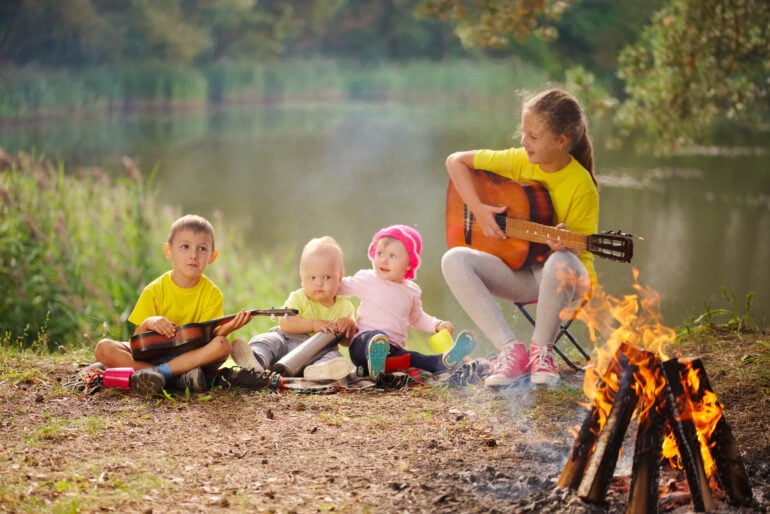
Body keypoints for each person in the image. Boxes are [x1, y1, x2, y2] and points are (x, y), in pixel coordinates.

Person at [441, 88, 597, 387]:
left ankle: (541, 351)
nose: (524, 142)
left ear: (561, 141)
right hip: (522, 274)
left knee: (561, 259)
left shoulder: (582, 186)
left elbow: (576, 253)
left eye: (533, 136)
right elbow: (455, 161)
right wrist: (480, 210)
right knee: (454, 259)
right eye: (523, 133)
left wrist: (565, 245)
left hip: (569, 280)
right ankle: (511, 351)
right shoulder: (519, 160)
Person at [94, 214, 254, 395]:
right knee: (104, 348)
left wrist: (228, 328)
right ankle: (177, 379)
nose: (193, 255)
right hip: (154, 356)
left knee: (223, 345)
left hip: (190, 357)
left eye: (202, 248)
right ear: (169, 251)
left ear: (212, 256)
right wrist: (148, 323)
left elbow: (207, 340)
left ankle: (159, 375)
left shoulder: (212, 294)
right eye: (185, 247)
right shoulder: (154, 290)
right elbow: (138, 346)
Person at [339, 224, 476, 379]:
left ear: (409, 263)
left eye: (392, 256)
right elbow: (340, 286)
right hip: (362, 345)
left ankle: (443, 362)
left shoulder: (411, 291)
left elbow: (417, 318)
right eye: (379, 253)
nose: (383, 260)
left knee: (413, 358)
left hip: (393, 350)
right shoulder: (367, 279)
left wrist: (437, 325)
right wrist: (323, 279)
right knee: (376, 336)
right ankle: (376, 358)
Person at [230, 236, 356, 380]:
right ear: (302, 277)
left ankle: (320, 371)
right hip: (287, 343)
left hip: (320, 352)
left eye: (326, 277)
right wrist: (314, 324)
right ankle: (256, 359)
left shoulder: (345, 308)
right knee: (270, 340)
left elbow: (346, 343)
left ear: (339, 278)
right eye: (312, 277)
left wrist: (349, 328)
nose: (319, 283)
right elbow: (285, 323)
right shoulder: (298, 298)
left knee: (334, 356)